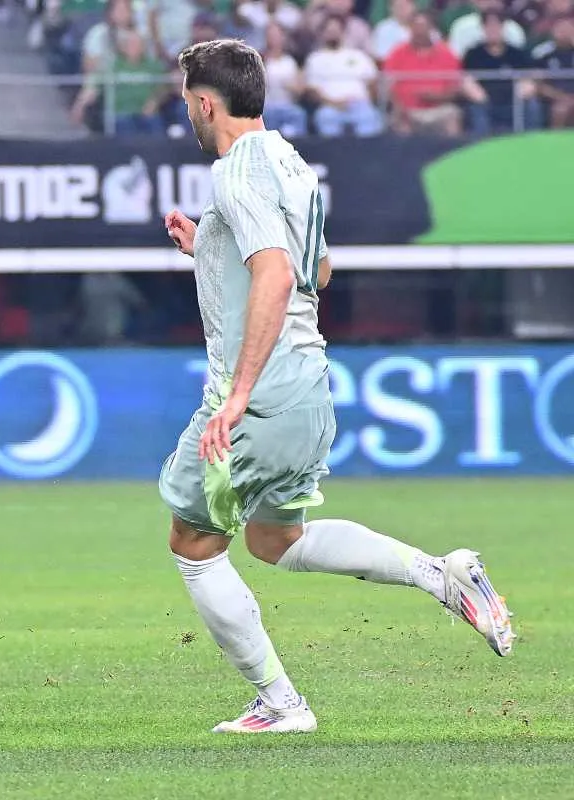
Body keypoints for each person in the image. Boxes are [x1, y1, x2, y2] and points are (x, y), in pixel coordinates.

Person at [160, 39, 516, 734]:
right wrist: (208, 241)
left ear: (207, 103)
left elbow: (273, 273)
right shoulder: (293, 165)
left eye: (187, 105)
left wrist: (236, 398)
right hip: (309, 384)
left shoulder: (235, 171)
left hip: (261, 388)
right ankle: (440, 573)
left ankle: (280, 703)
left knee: (193, 542)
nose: (189, 117)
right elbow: (315, 272)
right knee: (274, 539)